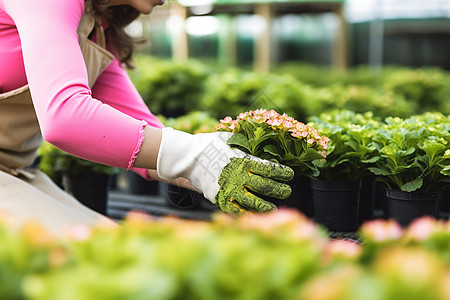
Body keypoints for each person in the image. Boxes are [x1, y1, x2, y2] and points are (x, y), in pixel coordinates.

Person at [0, 0, 294, 235]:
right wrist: (192, 156)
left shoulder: (97, 31)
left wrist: (215, 162)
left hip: (14, 174)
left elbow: (146, 137)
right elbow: (65, 119)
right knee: (86, 258)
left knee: (113, 242)